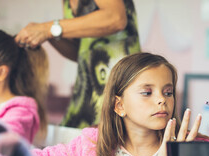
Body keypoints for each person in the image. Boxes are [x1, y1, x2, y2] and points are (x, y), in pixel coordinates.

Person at [6, 52, 209, 156]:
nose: (161, 100)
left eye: (168, 92)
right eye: (147, 92)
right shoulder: (92, 145)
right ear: (119, 106)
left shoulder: (191, 147)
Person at [15, 0, 141, 128]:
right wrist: (49, 36)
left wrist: (48, 28)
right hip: (86, 91)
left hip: (119, 86)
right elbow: (80, 52)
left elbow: (116, 18)